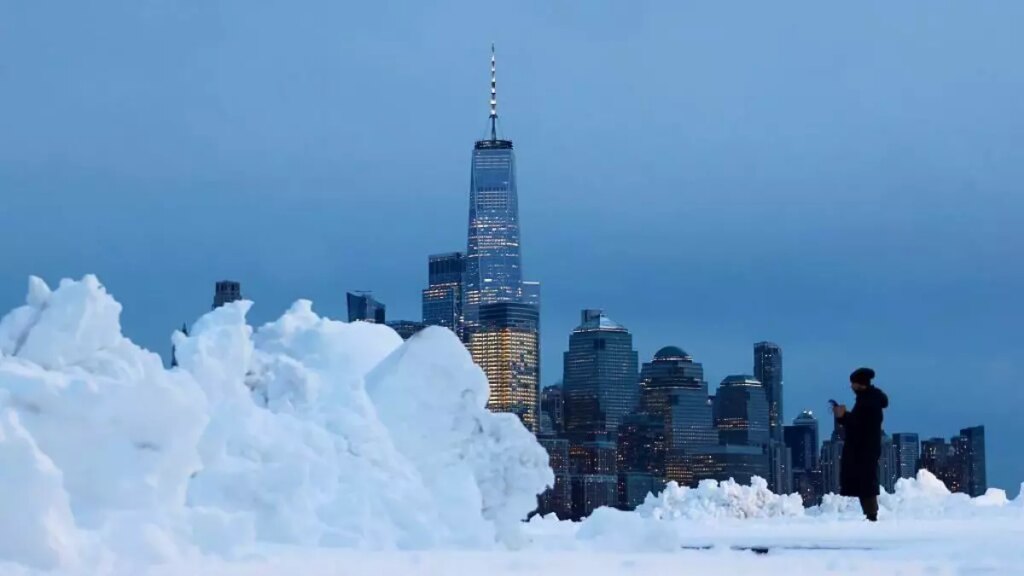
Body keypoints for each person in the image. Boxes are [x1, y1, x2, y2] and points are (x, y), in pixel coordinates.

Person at [832, 367, 888, 521]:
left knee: (866, 481)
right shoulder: (869, 399)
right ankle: (870, 515)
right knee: (865, 481)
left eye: (853, 384)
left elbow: (861, 425)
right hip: (865, 447)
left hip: (864, 448)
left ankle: (872, 516)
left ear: (859, 384)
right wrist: (844, 417)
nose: (851, 387)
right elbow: (860, 423)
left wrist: (843, 416)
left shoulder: (868, 402)